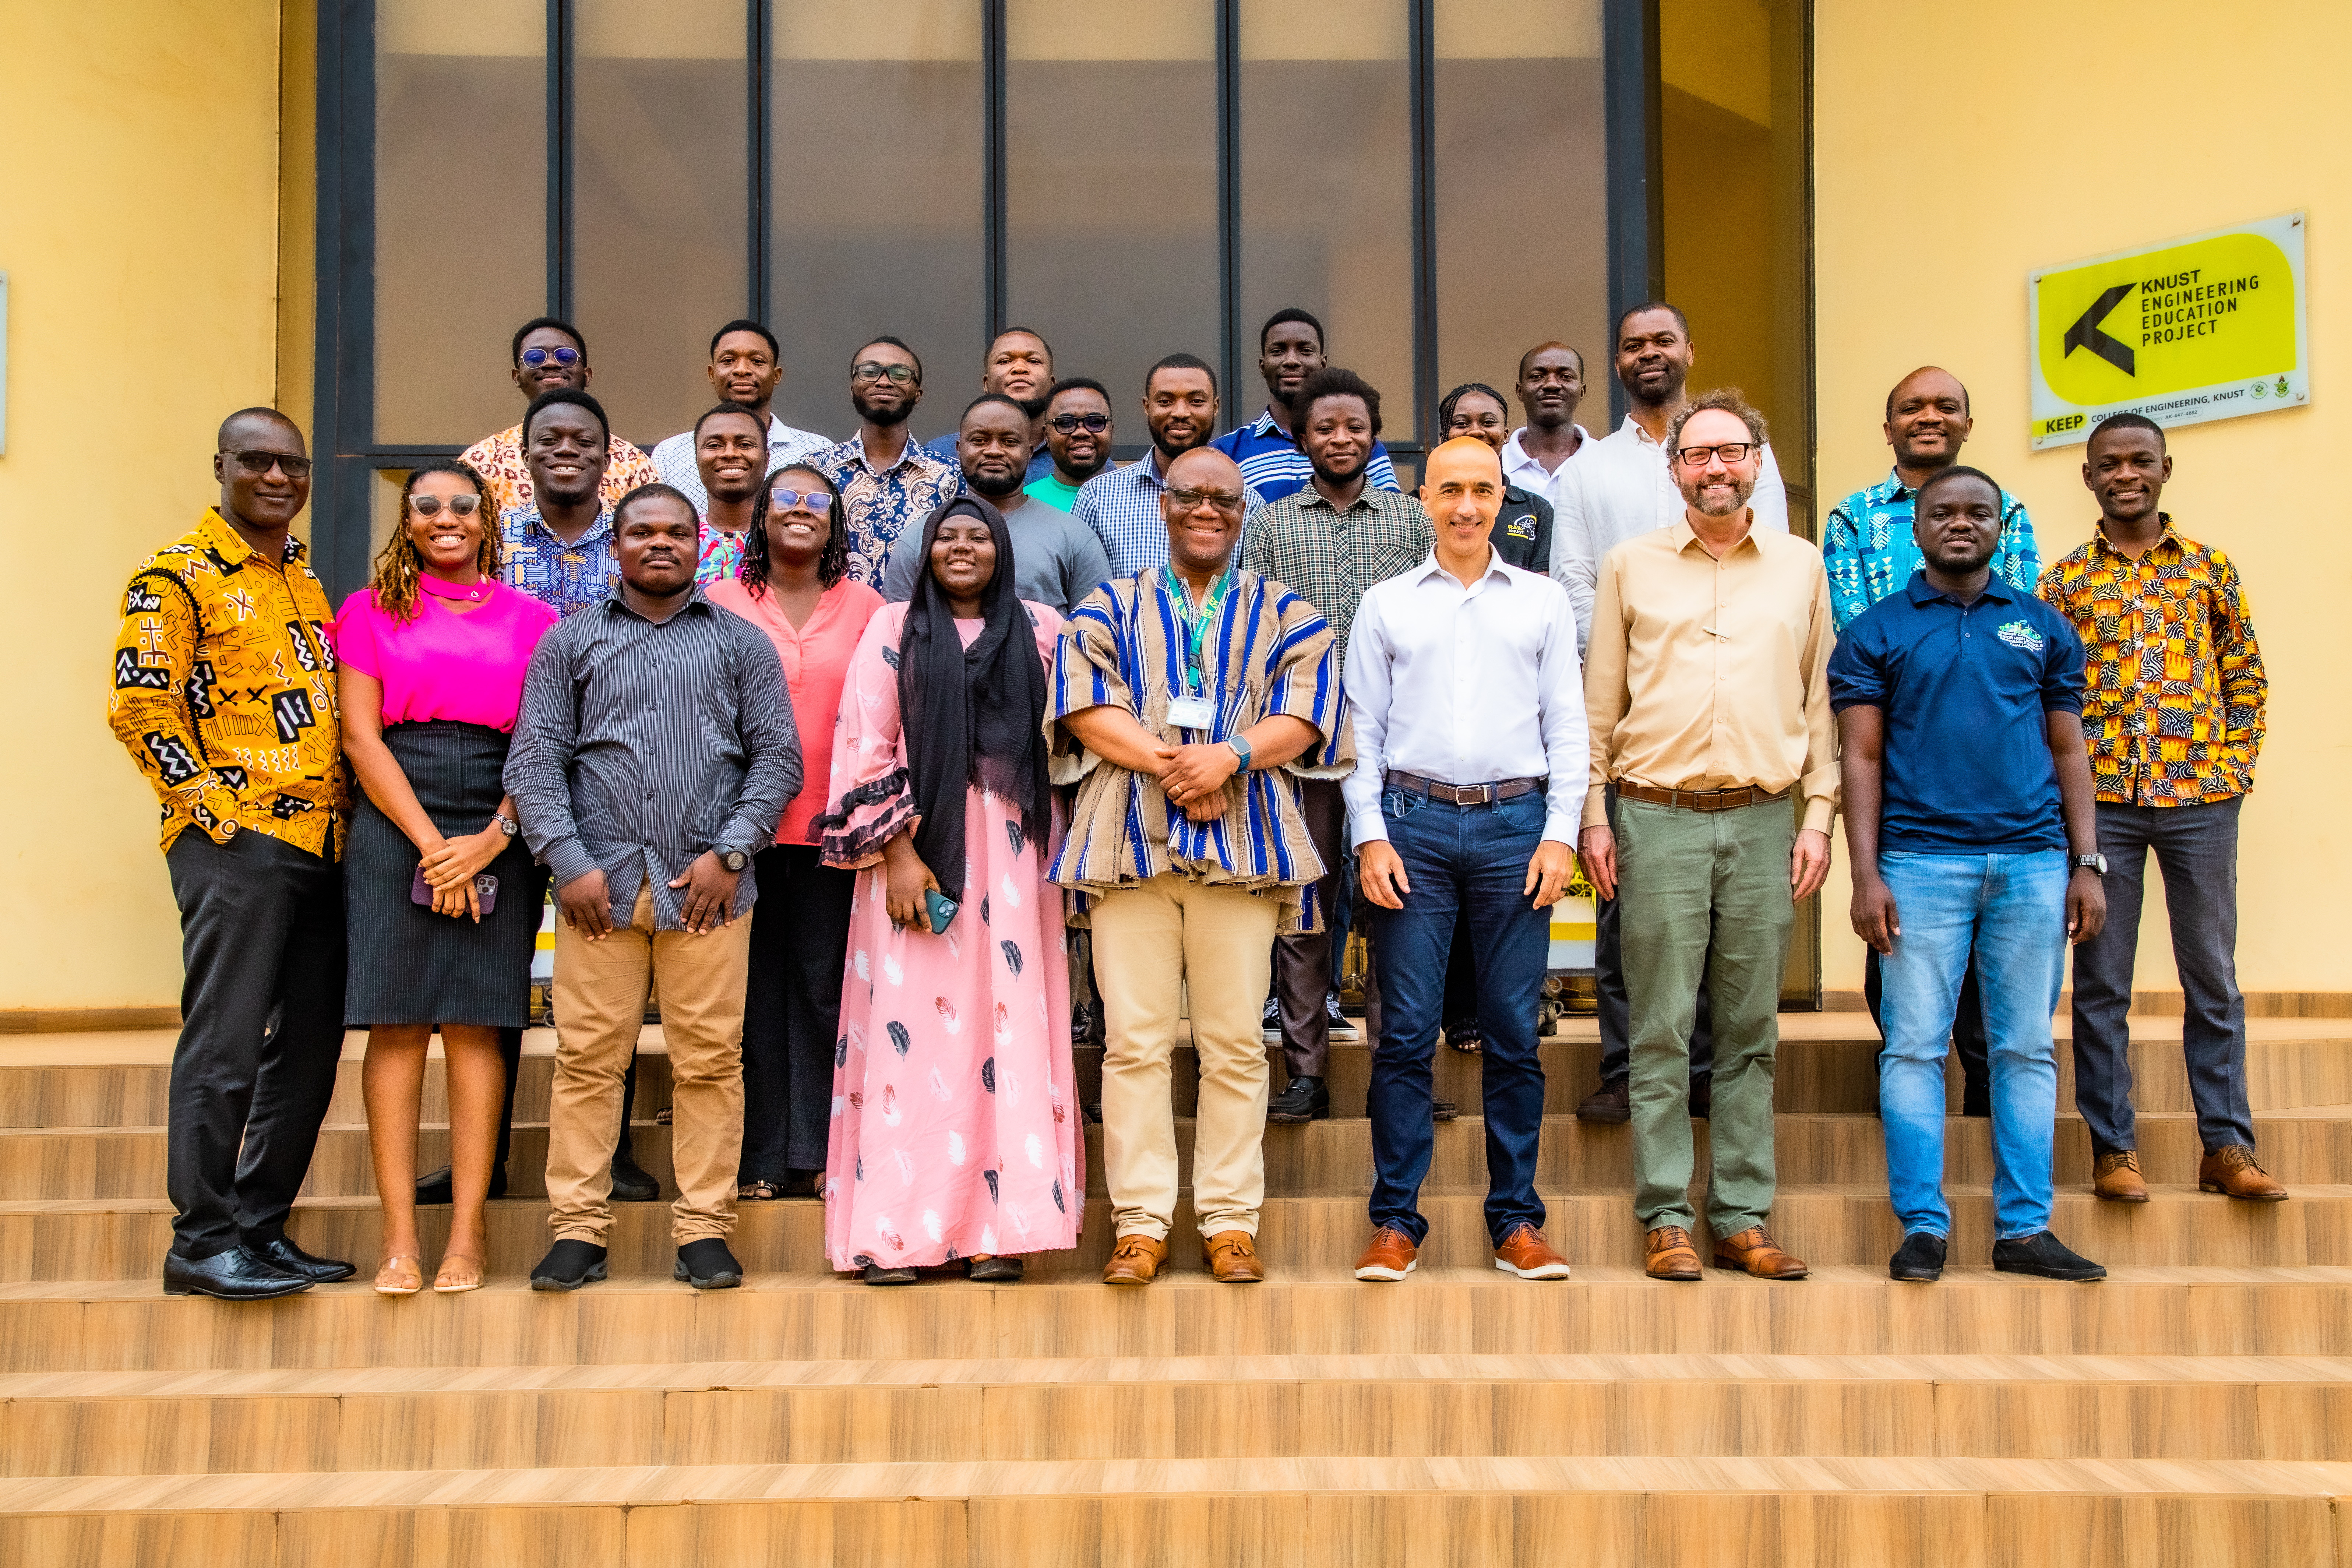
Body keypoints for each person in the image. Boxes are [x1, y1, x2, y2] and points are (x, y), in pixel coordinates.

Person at [1048, 448, 1352, 1289]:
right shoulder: (1108, 603)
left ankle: (1228, 1220)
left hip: (1246, 845)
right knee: (1133, 1043)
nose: (1208, 509)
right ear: (1165, 506)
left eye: (1224, 497)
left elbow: (1308, 712)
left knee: (1232, 1046)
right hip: (1128, 850)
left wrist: (1229, 757)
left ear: (1242, 510)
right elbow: (1078, 699)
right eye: (1191, 496)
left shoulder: (1286, 609)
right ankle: (1140, 1223)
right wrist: (1178, 766)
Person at [503, 484, 801, 1292]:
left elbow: (777, 760)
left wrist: (731, 852)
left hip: (709, 891)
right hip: (597, 891)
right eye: (642, 531)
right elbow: (535, 760)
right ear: (618, 545)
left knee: (709, 1061)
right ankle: (577, 1229)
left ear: (699, 542)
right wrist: (568, 860)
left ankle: (703, 1228)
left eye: (676, 531)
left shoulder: (740, 643)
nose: (659, 542)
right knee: (588, 1061)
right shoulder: (569, 643)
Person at [1578, 390, 1836, 1284]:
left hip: (1767, 823)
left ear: (1756, 462)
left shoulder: (1801, 567)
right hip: (1655, 819)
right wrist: (1590, 814)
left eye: (1731, 452)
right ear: (1674, 467)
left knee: (1747, 1032)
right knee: (1656, 1028)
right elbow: (1597, 705)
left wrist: (1818, 814)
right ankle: (1663, 1215)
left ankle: (1738, 1213)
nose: (1715, 468)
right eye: (1698, 455)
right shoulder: (1628, 565)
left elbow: (1820, 701)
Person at [1831, 465, 2110, 1285]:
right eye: (1942, 513)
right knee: (1913, 1049)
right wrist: (1864, 873)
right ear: (1914, 529)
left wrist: (2084, 862)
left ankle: (2023, 1229)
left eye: (1977, 513)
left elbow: (2068, 749)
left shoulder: (2042, 628)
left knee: (2024, 1049)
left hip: (2030, 863)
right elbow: (1860, 754)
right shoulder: (1874, 633)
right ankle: (1922, 1225)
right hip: (1917, 865)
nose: (1960, 523)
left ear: (1999, 526)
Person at [107, 408, 353, 1300]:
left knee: (312, 1045)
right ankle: (200, 1239)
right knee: (226, 1045)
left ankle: (257, 1226)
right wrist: (219, 814)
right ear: (222, 465)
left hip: (321, 844)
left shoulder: (306, 581)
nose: (278, 477)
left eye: (293, 463)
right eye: (258, 461)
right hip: (237, 843)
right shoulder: (174, 575)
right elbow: (140, 707)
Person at [815, 498, 1080, 1284]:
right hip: (920, 853)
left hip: (1016, 860)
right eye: (945, 537)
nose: (961, 548)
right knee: (915, 1039)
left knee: (1009, 1036)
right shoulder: (893, 628)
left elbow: (1069, 737)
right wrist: (897, 854)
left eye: (977, 537)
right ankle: (896, 1230)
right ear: (924, 552)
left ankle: (1000, 1228)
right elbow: (866, 741)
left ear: (1002, 549)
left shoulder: (1041, 629)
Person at [1346, 437, 1585, 1285]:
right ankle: (1393, 1222)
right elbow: (1360, 735)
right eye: (1449, 490)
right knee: (1405, 1034)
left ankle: (1516, 1221)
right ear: (1422, 499)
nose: (1466, 506)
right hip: (1411, 828)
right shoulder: (1385, 605)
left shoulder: (1542, 601)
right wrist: (1368, 834)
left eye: (1482, 490)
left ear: (1501, 499)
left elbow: (1567, 725)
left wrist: (1560, 832)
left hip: (1514, 829)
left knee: (1514, 1033)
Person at [1554, 304, 1792, 1127]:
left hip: (1737, 733)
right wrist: (1633, 657)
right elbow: (1576, 578)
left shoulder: (1745, 461)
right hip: (1637, 716)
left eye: (1662, 340)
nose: (1648, 353)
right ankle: (1627, 1068)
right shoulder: (1588, 469)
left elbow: (1782, 591)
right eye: (1631, 344)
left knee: (1725, 932)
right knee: (1631, 920)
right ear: (1614, 361)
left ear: (1688, 350)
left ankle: (1704, 1074)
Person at [2040, 413, 2281, 1204]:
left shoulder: (2209, 569)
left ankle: (2226, 1145)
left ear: (2163, 468)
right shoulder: (2065, 581)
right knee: (2101, 980)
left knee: (2210, 974)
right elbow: (2046, 696)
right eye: (2106, 463)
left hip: (2199, 802)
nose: (2123, 474)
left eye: (2138, 460)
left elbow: (2243, 674)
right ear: (2087, 477)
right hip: (2102, 806)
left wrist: (2232, 768)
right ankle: (2113, 1149)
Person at [336, 460, 559, 1295]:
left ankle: (466, 1235)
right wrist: (438, 846)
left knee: (473, 1024)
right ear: (407, 521)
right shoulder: (369, 611)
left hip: (501, 810)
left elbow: (544, 741)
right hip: (399, 819)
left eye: (461, 505)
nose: (444, 518)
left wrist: (494, 836)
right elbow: (361, 739)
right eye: (425, 506)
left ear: (486, 518)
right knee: (396, 1026)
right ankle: (400, 1238)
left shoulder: (533, 619)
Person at [1825, 366, 2043, 1118]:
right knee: (1893, 914)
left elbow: (2013, 620)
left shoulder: (2005, 511)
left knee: (1991, 936)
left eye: (1944, 405)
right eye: (1909, 407)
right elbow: (1859, 627)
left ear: (1966, 425)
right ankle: (1905, 1072)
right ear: (1886, 427)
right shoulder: (1851, 517)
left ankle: (1983, 1085)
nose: (1926, 416)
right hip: (1889, 742)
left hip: (1989, 754)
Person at [483, 385, 662, 1205]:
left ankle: (612, 1151)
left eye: (583, 440)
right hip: (495, 784)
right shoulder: (492, 546)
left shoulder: (629, 551)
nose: (566, 450)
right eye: (549, 439)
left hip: (604, 793)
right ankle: (484, 1158)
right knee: (490, 979)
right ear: (523, 455)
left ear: (605, 456)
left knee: (607, 982)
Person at [1238, 367, 1432, 1123]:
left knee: (1399, 910)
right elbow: (1253, 631)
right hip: (1305, 743)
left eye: (1353, 426)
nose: (1339, 438)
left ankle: (1400, 1072)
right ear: (1300, 437)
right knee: (1305, 911)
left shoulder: (1410, 520)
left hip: (1398, 744)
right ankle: (1306, 1072)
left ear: (1372, 433)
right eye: (1324, 428)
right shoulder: (1271, 524)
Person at [706, 467, 884, 1202]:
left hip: (831, 833)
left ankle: (818, 1150)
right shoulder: (717, 601)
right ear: (761, 514)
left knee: (823, 991)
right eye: (788, 497)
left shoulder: (869, 605)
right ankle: (760, 1156)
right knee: (750, 996)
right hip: (735, 830)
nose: (803, 509)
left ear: (835, 521)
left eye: (819, 500)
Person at [881, 394, 1113, 614]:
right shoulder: (921, 536)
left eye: (1009, 441)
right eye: (979, 440)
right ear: (959, 449)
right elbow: (897, 632)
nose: (994, 451)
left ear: (1029, 452)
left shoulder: (1075, 536)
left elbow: (1095, 634)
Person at [1074, 354, 1264, 578]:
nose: (1181, 413)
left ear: (1215, 407)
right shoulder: (1098, 496)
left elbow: (1255, 599)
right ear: (1147, 407)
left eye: (1196, 402)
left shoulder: (1246, 502)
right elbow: (1085, 594)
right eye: (1165, 402)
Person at [461, 317, 656, 518]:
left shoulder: (633, 462)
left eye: (566, 356)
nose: (552, 363)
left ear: (587, 376)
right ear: (517, 377)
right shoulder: (484, 460)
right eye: (535, 358)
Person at [813, 337, 960, 589]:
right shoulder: (818, 470)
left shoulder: (950, 476)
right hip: (834, 622)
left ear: (918, 394)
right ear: (852, 389)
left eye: (900, 374)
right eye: (869, 372)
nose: (884, 381)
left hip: (917, 624)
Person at [1212, 308, 1402, 502]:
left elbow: (1390, 518)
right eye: (1278, 351)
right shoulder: (1226, 452)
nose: (1292, 361)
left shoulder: (1359, 447)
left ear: (1323, 363)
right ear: (1263, 366)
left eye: (1305, 351)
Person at [649, 319, 829, 517]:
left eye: (757, 362)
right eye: (728, 361)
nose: (742, 370)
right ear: (712, 374)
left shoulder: (819, 451)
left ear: (776, 375)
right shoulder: (670, 455)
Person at [921, 327, 1058, 486]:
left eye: (1033, 361)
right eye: (1005, 361)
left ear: (1052, 384)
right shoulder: (939, 453)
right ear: (986, 384)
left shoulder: (1072, 452)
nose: (1020, 368)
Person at [1500, 341, 1594, 517]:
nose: (1552, 384)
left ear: (1582, 391)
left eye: (1565, 376)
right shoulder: (1495, 464)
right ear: (1519, 391)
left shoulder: (1605, 458)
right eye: (1537, 377)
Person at [682, 401, 770, 584]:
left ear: (767, 458)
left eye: (745, 444)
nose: (730, 454)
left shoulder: (786, 539)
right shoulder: (680, 541)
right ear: (697, 458)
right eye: (714, 446)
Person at [1027, 377, 1118, 514]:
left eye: (1095, 422)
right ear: (1046, 435)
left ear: (1111, 431)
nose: (1081, 432)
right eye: (1065, 423)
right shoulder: (1024, 502)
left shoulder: (1139, 499)